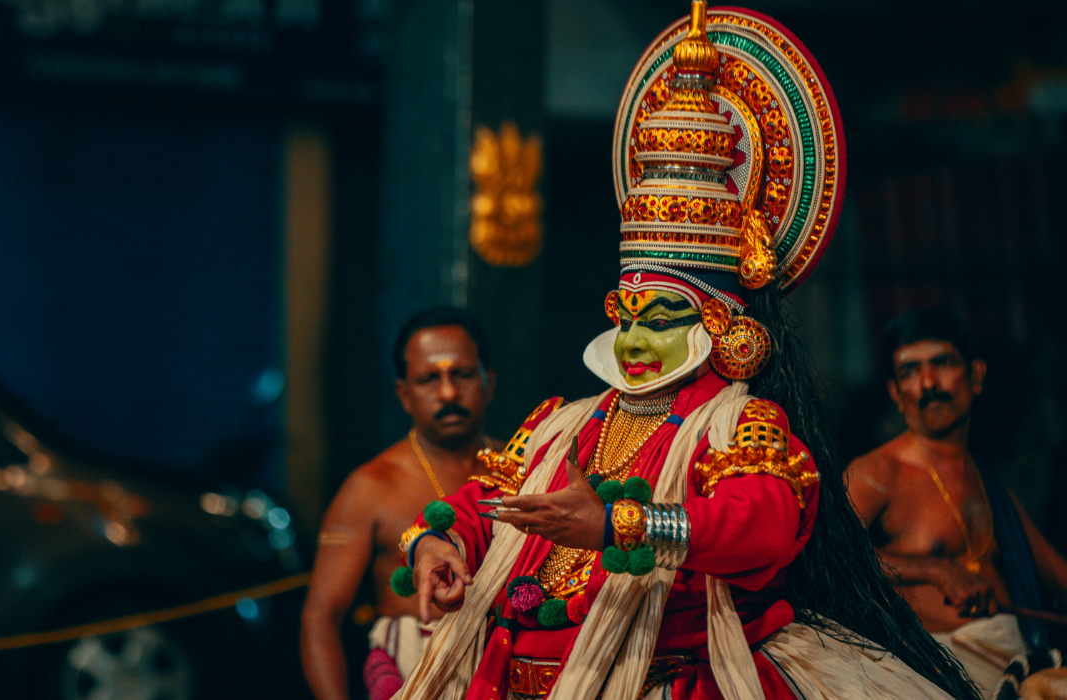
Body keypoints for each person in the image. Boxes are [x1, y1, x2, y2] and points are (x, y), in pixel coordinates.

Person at [387, 4, 979, 699]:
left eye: (662, 315)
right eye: (627, 312)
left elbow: (760, 526)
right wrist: (439, 545)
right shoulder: (562, 424)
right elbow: (490, 502)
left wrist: (616, 522)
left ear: (721, 321)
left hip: (662, 681)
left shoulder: (744, 426)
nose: (635, 338)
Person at [846, 307, 1067, 695]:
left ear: (975, 376)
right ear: (897, 394)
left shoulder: (993, 490)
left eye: (942, 363)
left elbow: (1060, 578)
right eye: (909, 372)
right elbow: (831, 556)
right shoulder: (877, 472)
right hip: (935, 676)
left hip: (1018, 665)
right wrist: (936, 570)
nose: (928, 382)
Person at [300, 306, 498, 700]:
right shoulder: (370, 487)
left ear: (488, 382)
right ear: (404, 395)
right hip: (412, 672)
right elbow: (320, 618)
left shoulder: (521, 467)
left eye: (461, 374)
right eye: (429, 379)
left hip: (505, 663)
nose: (448, 393)